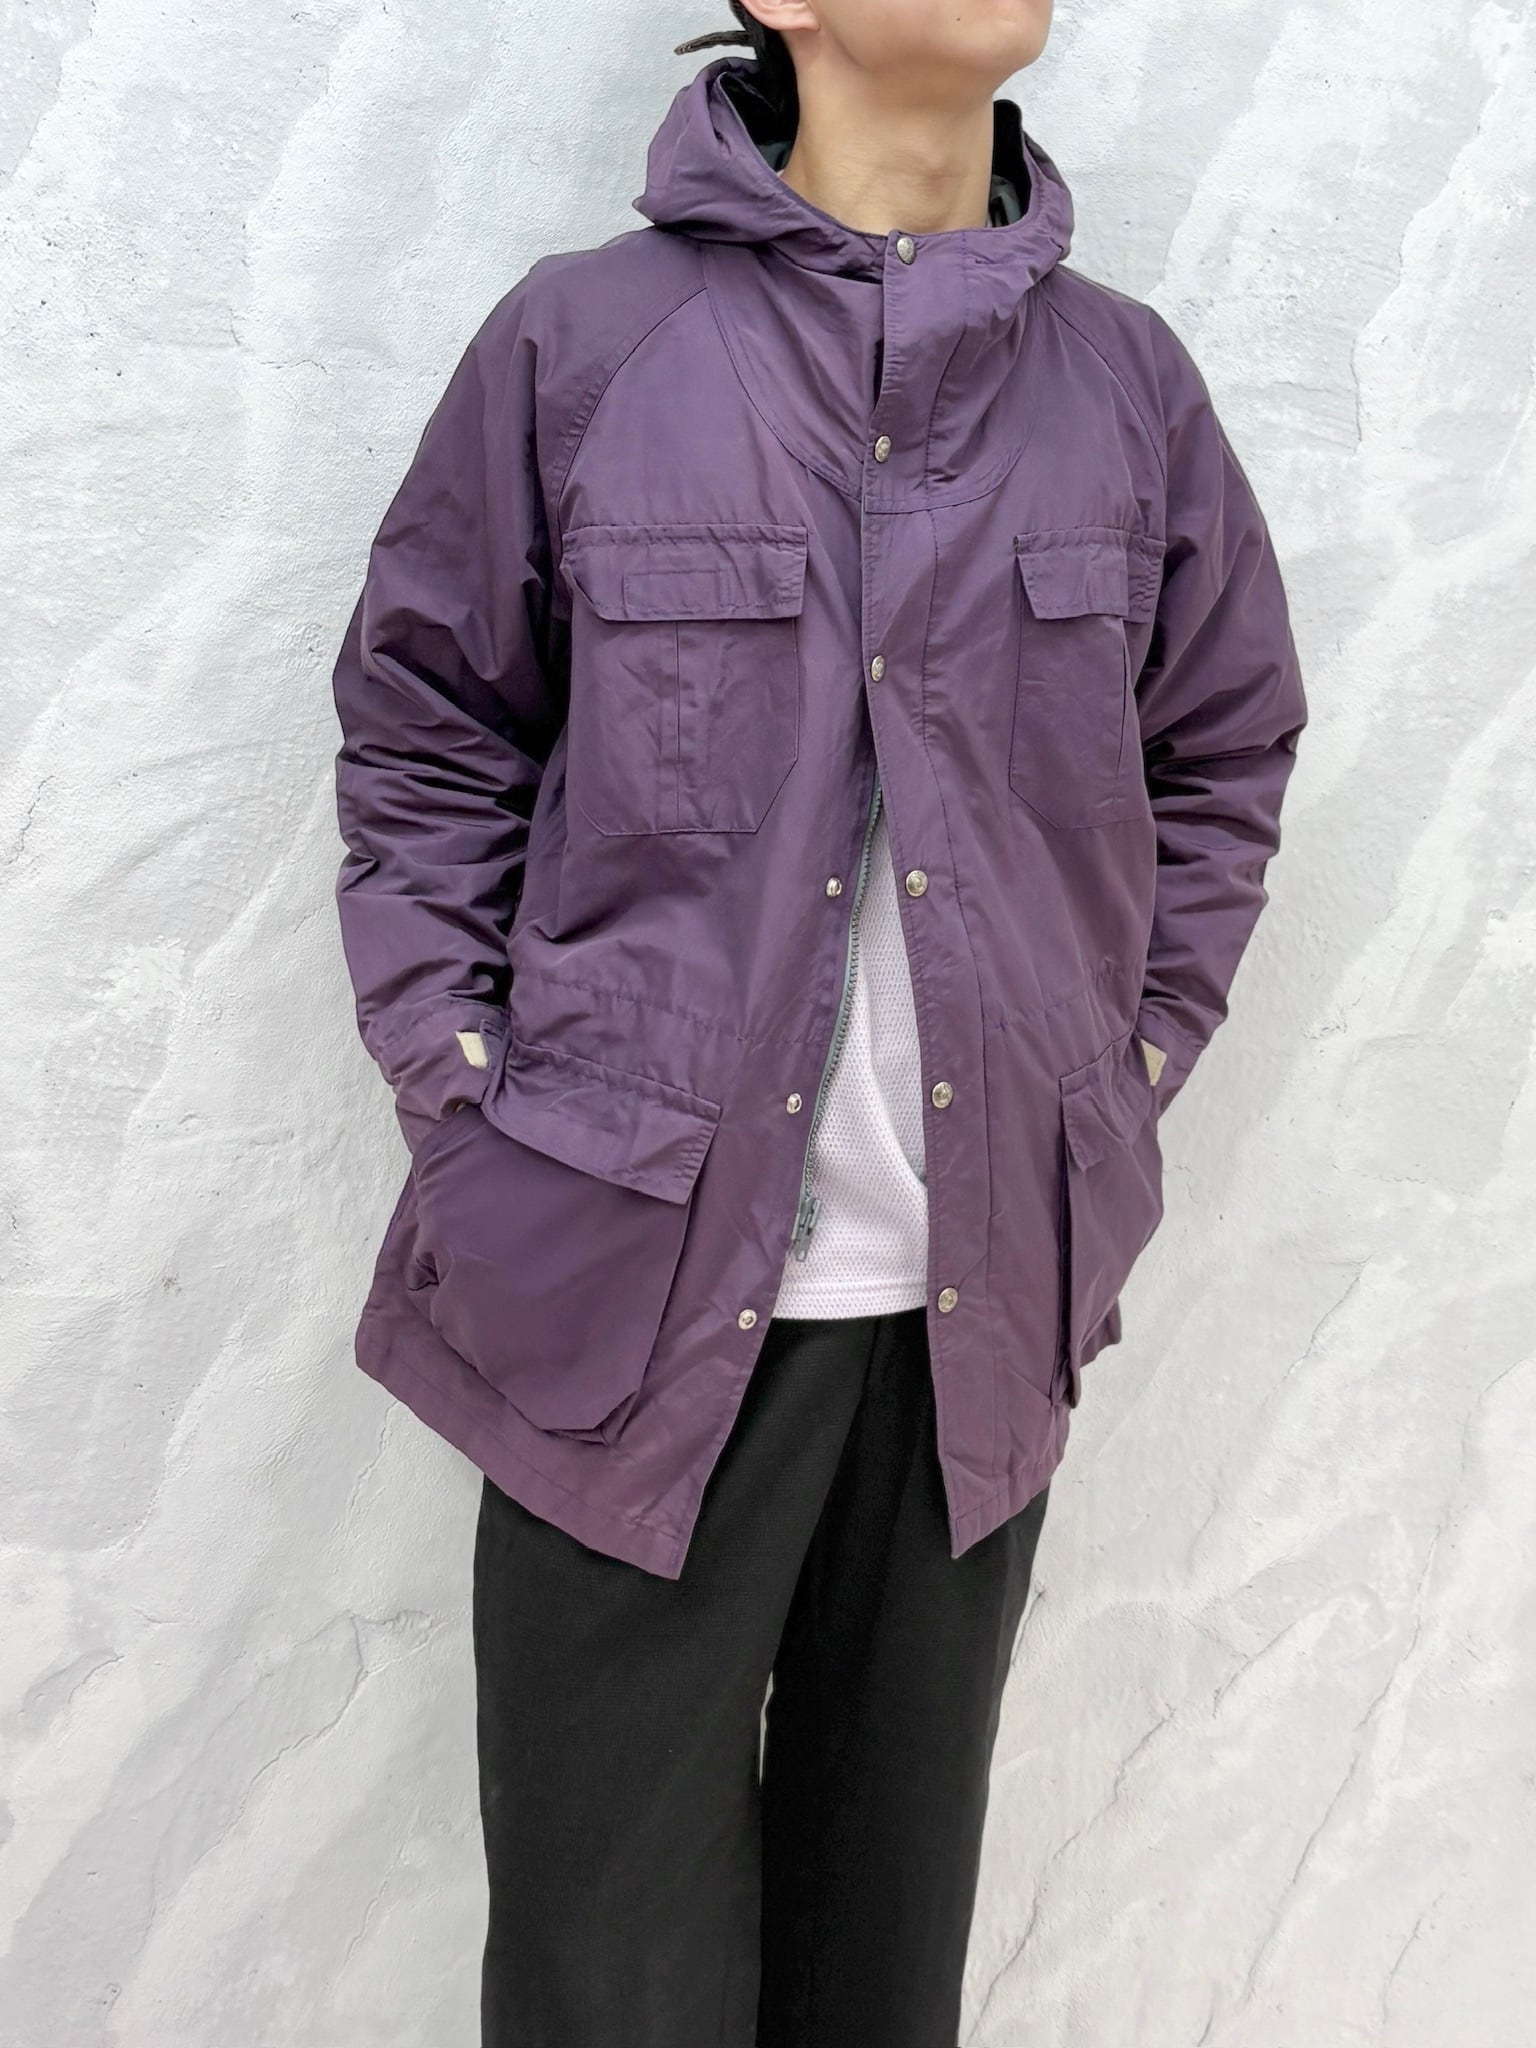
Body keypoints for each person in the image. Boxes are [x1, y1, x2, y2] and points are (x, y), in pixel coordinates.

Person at [327, 4, 1308, 2042]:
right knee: (610, 1989)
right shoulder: (584, 346)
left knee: (883, 1976)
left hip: (977, 1328)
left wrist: (1127, 1073)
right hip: (617, 1301)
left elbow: (1222, 749)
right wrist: (465, 1098)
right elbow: (429, 739)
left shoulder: (1125, 388)